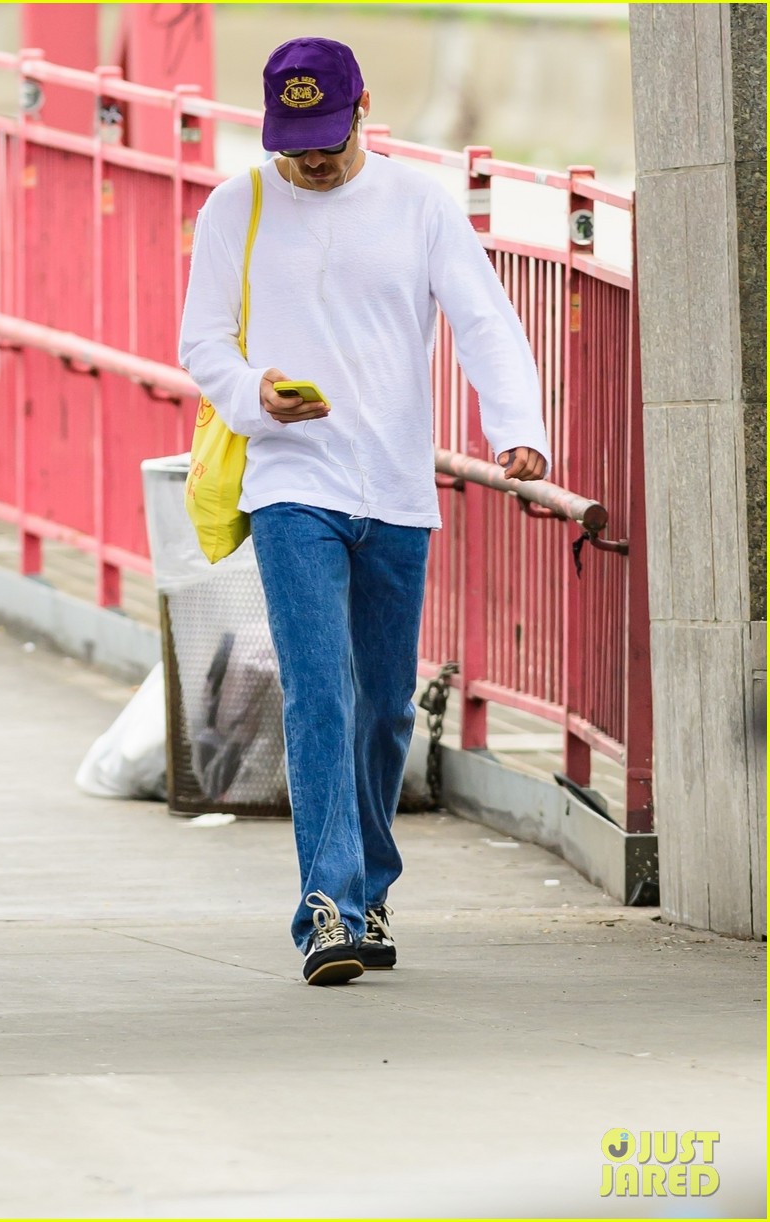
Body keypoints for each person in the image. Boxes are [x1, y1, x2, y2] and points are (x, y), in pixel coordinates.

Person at [179, 36, 550, 986]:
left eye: (325, 136)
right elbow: (202, 342)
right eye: (291, 138)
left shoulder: (418, 203)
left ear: (362, 111)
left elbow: (485, 324)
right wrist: (257, 393)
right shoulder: (239, 204)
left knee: (382, 709)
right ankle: (329, 908)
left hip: (392, 488)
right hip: (289, 479)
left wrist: (517, 429)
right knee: (319, 691)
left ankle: (372, 887)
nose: (310, 158)